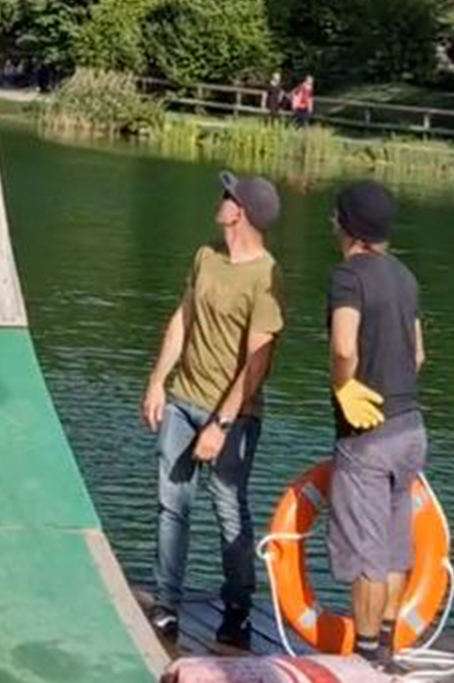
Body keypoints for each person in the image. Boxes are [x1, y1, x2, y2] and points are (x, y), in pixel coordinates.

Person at [142, 172, 285, 648]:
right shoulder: (206, 255)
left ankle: (238, 609)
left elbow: (257, 360)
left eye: (227, 195)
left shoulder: (266, 275)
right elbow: (183, 318)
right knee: (172, 506)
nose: (219, 200)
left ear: (239, 211)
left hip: (235, 416)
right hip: (183, 401)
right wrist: (159, 380)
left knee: (228, 508)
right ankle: (166, 604)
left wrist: (221, 424)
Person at [327, 180, 426, 667]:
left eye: (335, 216)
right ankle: (387, 652)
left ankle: (365, 661)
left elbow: (345, 345)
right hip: (411, 426)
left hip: (367, 434)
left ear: (349, 228)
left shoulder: (349, 277)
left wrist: (345, 384)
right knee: (392, 546)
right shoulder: (406, 276)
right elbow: (419, 353)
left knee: (366, 551)